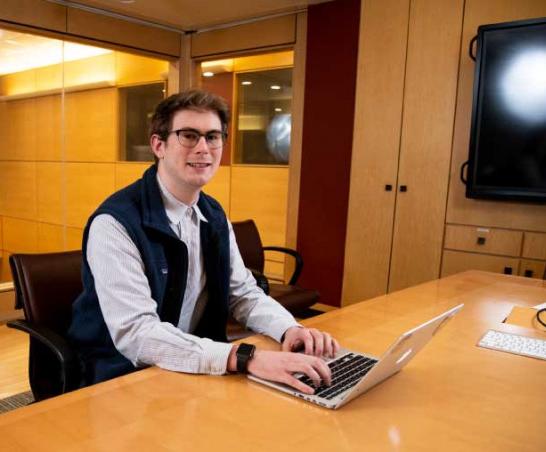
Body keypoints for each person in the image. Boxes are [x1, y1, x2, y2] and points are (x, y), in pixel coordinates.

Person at [68, 89, 339, 394]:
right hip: (121, 374)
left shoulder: (212, 213)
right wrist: (244, 357)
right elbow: (137, 333)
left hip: (192, 365)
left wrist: (289, 328)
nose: (203, 148)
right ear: (159, 145)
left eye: (212, 136)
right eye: (188, 136)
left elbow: (243, 293)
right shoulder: (115, 223)